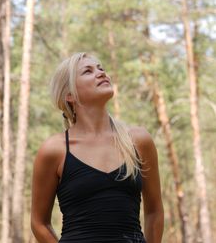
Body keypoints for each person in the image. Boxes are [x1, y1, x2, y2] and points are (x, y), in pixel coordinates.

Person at [31, 52, 164, 243]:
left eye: (101, 68)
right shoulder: (54, 150)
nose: (101, 73)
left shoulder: (138, 140)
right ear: (69, 95)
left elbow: (155, 211)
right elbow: (39, 223)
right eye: (88, 71)